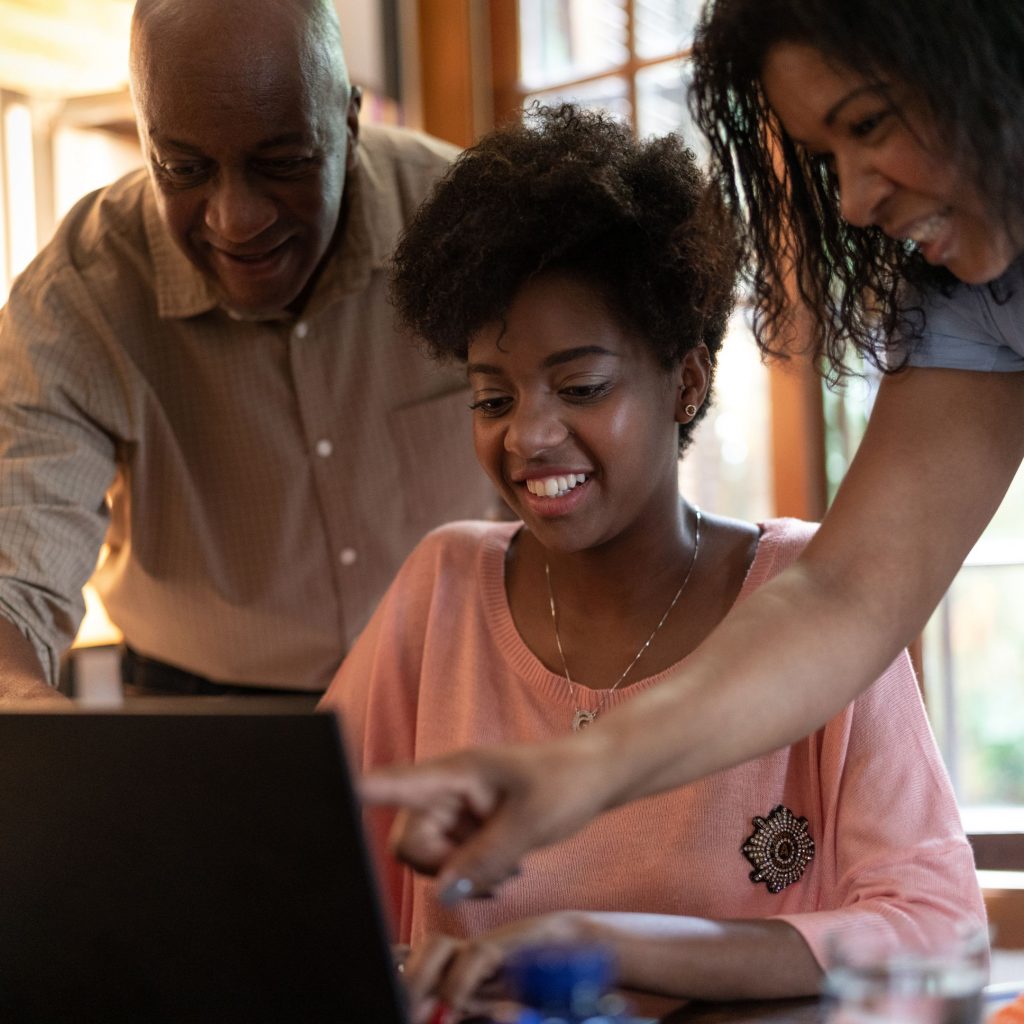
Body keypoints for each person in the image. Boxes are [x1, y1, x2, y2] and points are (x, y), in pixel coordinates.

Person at [321, 105, 986, 1023]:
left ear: (687, 381)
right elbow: (287, 876)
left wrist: (604, 945)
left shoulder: (816, 599)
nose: (530, 435)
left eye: (582, 387)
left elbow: (938, 924)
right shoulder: (442, 592)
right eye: (491, 398)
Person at [0, 0, 495, 700]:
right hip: (201, 710)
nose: (236, 218)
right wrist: (18, 703)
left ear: (350, 123)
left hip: (464, 683)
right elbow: (12, 573)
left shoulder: (470, 226)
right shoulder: (77, 296)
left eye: (283, 162)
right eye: (183, 168)